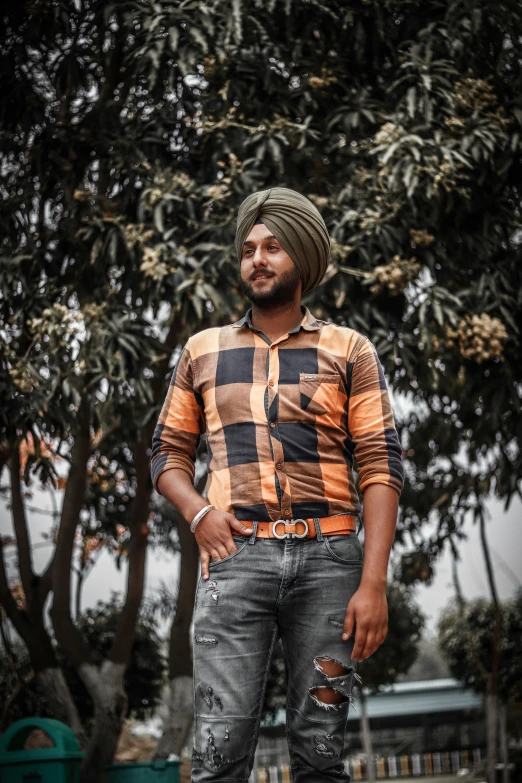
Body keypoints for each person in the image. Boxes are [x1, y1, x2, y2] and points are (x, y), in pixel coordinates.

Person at [150, 187, 404, 782]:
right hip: (234, 559)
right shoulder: (202, 351)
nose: (257, 259)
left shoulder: (350, 351)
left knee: (320, 753)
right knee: (219, 753)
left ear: (303, 259)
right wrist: (196, 513)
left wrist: (373, 582)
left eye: (273, 247)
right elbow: (165, 451)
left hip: (332, 567)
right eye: (248, 250)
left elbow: (380, 462)